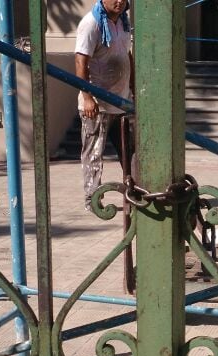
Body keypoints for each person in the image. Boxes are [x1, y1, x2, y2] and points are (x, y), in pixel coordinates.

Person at [76, 0, 133, 212]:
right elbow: (81, 61)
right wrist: (87, 96)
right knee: (93, 153)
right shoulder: (91, 23)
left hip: (122, 100)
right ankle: (92, 200)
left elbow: (127, 55)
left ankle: (135, 193)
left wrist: (132, 88)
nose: (119, 1)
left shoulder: (123, 22)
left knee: (131, 151)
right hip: (97, 104)